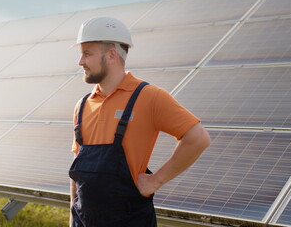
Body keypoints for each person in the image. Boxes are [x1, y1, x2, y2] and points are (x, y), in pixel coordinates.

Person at [68, 17, 211, 227]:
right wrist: (72, 217)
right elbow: (77, 173)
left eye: (87, 54)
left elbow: (198, 138)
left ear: (111, 55)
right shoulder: (82, 106)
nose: (80, 62)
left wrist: (156, 180)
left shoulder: (149, 97)